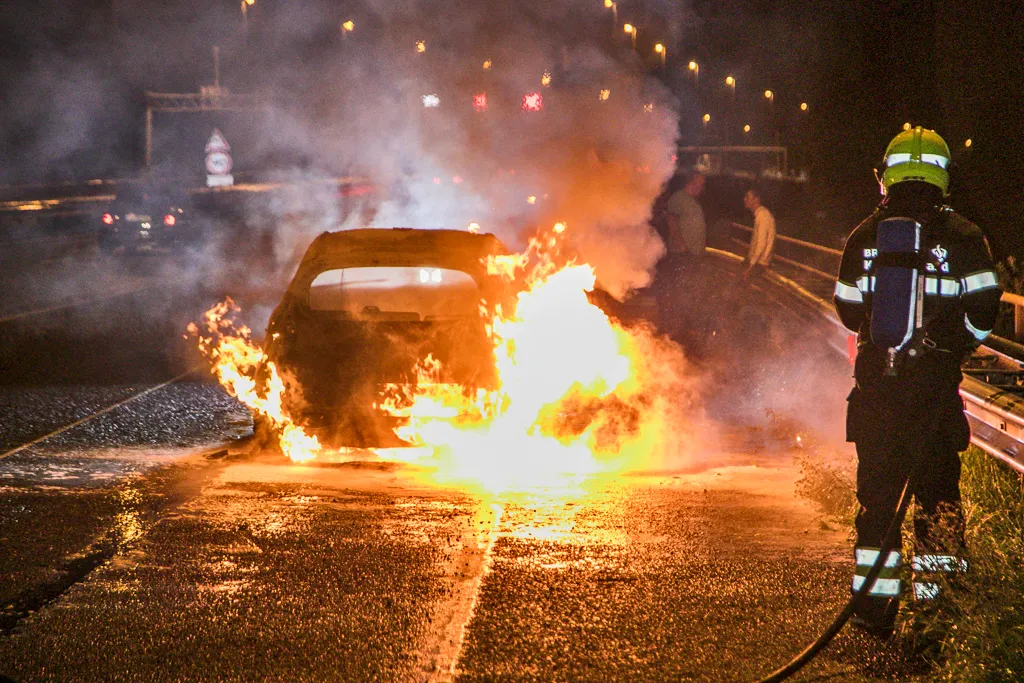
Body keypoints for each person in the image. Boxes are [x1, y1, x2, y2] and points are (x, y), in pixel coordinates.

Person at [833, 127, 1002, 638]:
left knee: (878, 506)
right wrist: (955, 347)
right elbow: (986, 312)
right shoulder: (965, 237)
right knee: (937, 504)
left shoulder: (864, 235)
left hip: (877, 397)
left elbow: (846, 309)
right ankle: (940, 612)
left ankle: (874, 611)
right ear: (943, 178)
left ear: (886, 177)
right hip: (933, 400)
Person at [663, 171, 707, 260]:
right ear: (692, 182)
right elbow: (671, 222)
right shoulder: (678, 197)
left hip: (693, 253)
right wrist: (682, 246)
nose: (702, 188)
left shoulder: (693, 200)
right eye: (701, 184)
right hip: (682, 254)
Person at [742, 186, 776, 278]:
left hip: (759, 263)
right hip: (757, 261)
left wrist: (751, 266)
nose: (744, 199)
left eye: (747, 197)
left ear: (756, 200)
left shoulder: (763, 216)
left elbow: (761, 243)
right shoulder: (761, 214)